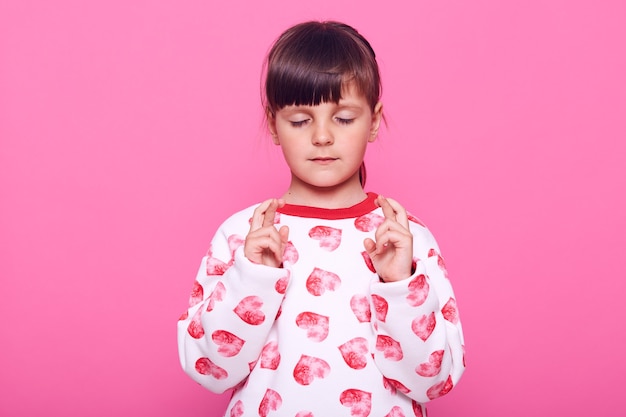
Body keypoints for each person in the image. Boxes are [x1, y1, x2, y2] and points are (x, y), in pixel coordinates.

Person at [177, 20, 465, 417]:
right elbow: (209, 369)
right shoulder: (244, 235)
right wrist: (252, 279)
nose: (323, 137)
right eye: (300, 120)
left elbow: (432, 382)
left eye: (343, 118)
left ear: (374, 121)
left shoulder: (406, 238)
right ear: (274, 125)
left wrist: (400, 286)